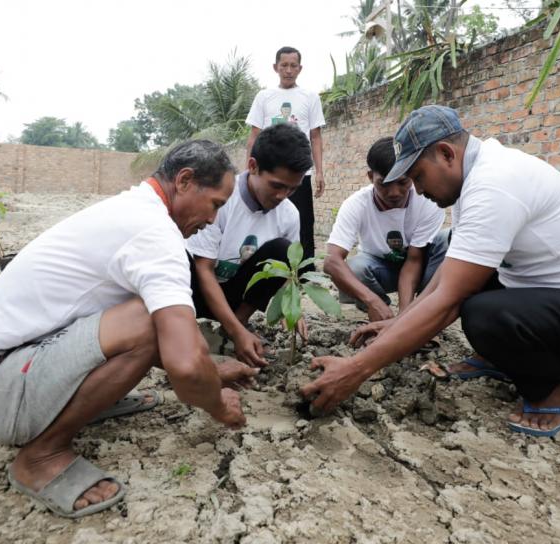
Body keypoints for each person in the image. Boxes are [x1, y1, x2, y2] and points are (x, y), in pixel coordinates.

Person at [0, 140, 258, 518]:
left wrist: (212, 371)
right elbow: (184, 364)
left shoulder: (132, 210)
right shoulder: (155, 233)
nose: (213, 220)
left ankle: (87, 400)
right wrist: (217, 404)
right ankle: (41, 455)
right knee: (149, 320)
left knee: (148, 318)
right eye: (216, 204)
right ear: (184, 181)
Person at [302, 105, 560, 438]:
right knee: (474, 276)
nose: (419, 191)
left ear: (446, 153)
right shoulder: (480, 175)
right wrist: (397, 323)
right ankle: (498, 356)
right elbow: (449, 272)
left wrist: (356, 369)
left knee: (481, 313)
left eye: (418, 176)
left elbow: (448, 298)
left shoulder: (494, 183)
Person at [187, 124, 313, 368]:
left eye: (292, 188)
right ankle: (216, 329)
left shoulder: (289, 214)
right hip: (197, 292)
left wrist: (292, 309)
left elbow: (289, 274)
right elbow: (203, 269)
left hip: (236, 296)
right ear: (253, 166)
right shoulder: (221, 199)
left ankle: (235, 323)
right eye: (276, 185)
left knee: (282, 251)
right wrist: (237, 333)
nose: (283, 195)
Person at [324, 137, 448, 322]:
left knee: (447, 241)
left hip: (420, 265)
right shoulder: (356, 205)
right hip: (380, 270)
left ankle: (421, 314)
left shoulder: (427, 201)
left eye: (402, 182)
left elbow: (414, 261)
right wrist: (372, 301)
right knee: (354, 268)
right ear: (370, 177)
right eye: (384, 184)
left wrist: (405, 319)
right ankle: (382, 316)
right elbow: (331, 261)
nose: (394, 193)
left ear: (412, 175)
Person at [246, 46, 326, 262]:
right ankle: (269, 263)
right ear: (275, 67)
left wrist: (319, 171)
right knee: (266, 216)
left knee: (304, 220)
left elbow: (315, 136)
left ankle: (304, 270)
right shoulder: (264, 97)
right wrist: (249, 169)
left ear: (300, 68)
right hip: (269, 171)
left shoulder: (310, 97)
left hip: (300, 172)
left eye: (293, 66)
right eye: (284, 65)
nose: (288, 70)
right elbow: (254, 135)